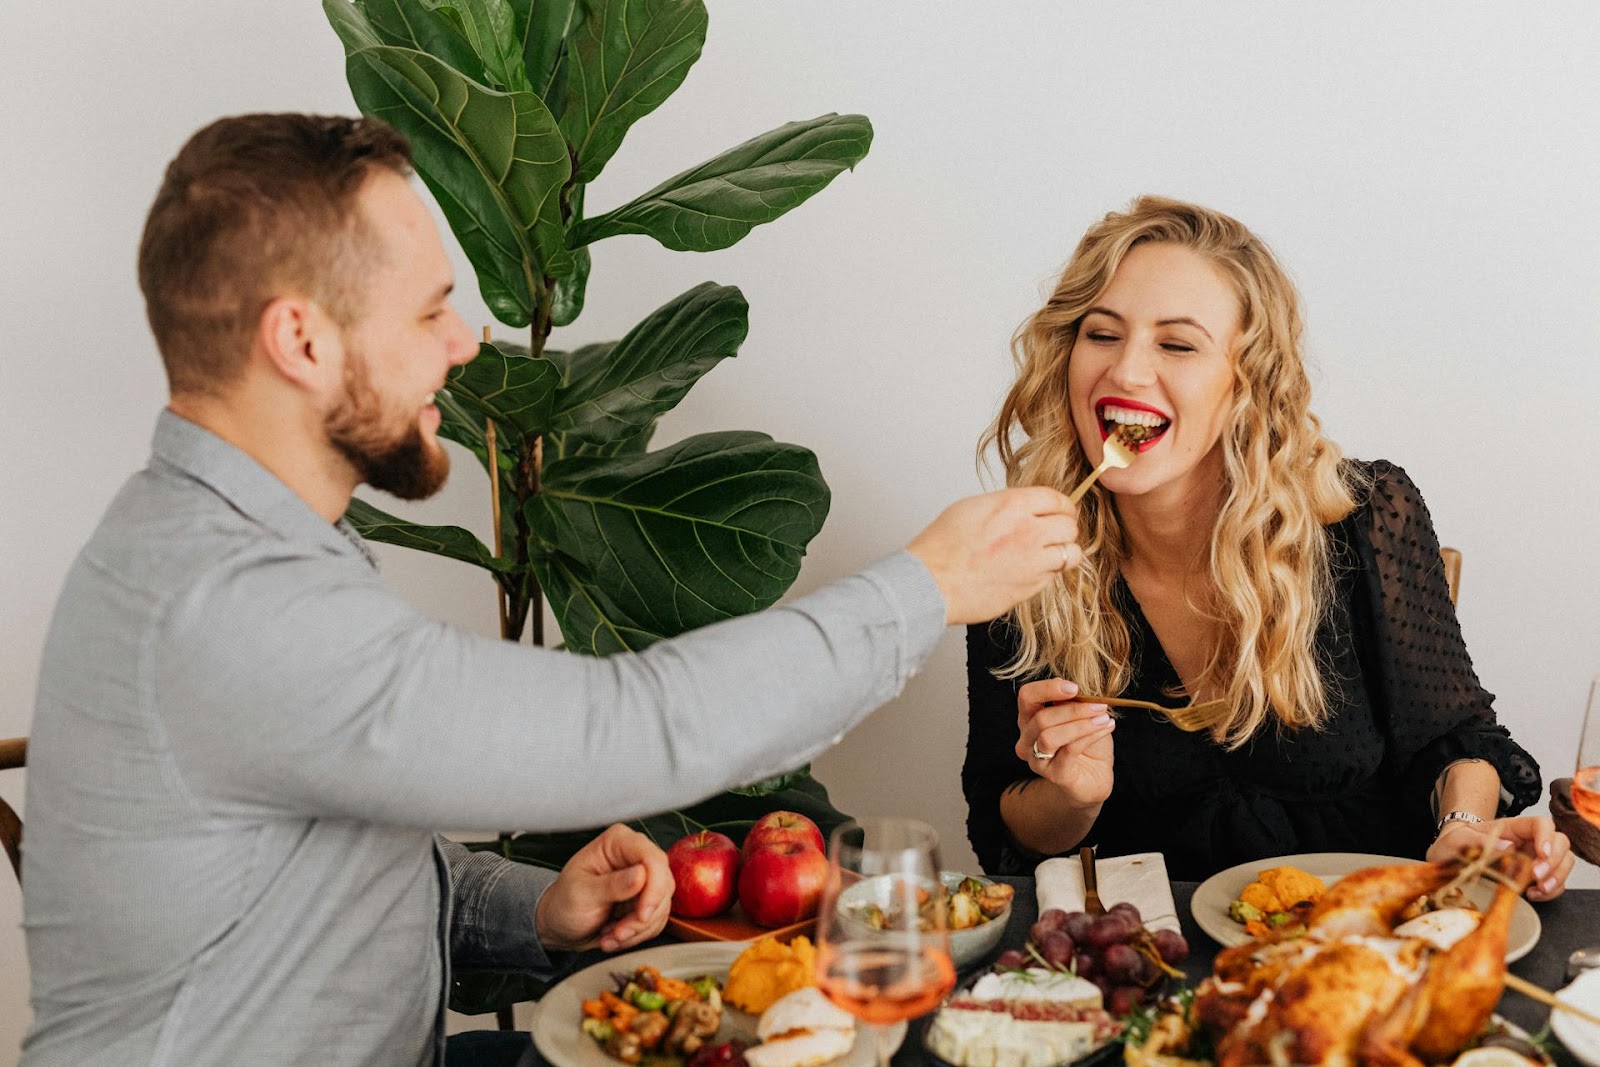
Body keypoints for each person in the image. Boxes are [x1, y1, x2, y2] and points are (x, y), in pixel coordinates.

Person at [20, 113, 1081, 1067]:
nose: (464, 340)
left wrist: (537, 912)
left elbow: (322, 863)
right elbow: (632, 725)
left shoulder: (232, 545)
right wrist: (927, 585)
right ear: (300, 339)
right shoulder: (226, 600)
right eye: (430, 310)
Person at [962, 196, 1574, 901]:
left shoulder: (1363, 518)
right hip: (1156, 972)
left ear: (1246, 381)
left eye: (1178, 343)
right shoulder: (1023, 553)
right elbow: (1001, 823)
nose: (1127, 372)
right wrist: (1072, 795)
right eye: (1101, 334)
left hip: (1370, 952)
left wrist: (1463, 824)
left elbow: (1454, 739)